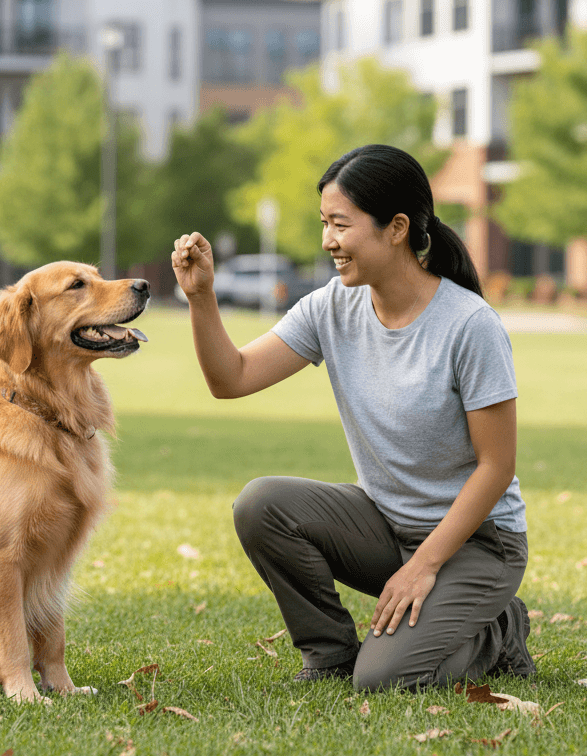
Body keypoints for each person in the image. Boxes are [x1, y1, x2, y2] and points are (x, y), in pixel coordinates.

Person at [170, 144, 534, 691]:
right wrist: (202, 298)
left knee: (387, 679)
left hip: (479, 541)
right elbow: (232, 379)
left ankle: (500, 628)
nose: (327, 242)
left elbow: (496, 466)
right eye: (324, 223)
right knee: (263, 505)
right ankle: (330, 654)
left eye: (340, 224)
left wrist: (425, 565)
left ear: (397, 228)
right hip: (387, 525)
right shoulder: (331, 308)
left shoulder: (468, 326)